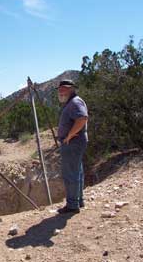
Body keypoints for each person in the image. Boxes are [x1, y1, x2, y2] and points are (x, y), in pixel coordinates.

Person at [56, 79, 88, 214]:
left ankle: (72, 205)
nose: (61, 91)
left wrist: (69, 136)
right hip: (75, 142)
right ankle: (78, 201)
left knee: (71, 174)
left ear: (71, 89)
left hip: (73, 143)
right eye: (59, 89)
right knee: (77, 171)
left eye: (64, 88)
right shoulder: (72, 102)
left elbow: (82, 118)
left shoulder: (75, 102)